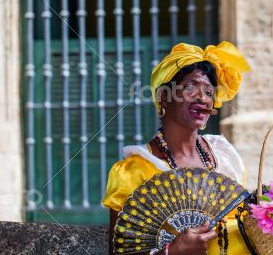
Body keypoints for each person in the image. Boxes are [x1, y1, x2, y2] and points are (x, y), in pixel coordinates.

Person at [102, 41, 251, 255]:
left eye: (209, 93)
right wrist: (171, 252)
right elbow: (120, 252)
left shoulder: (225, 158)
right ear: (164, 97)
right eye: (191, 87)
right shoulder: (134, 172)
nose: (203, 98)